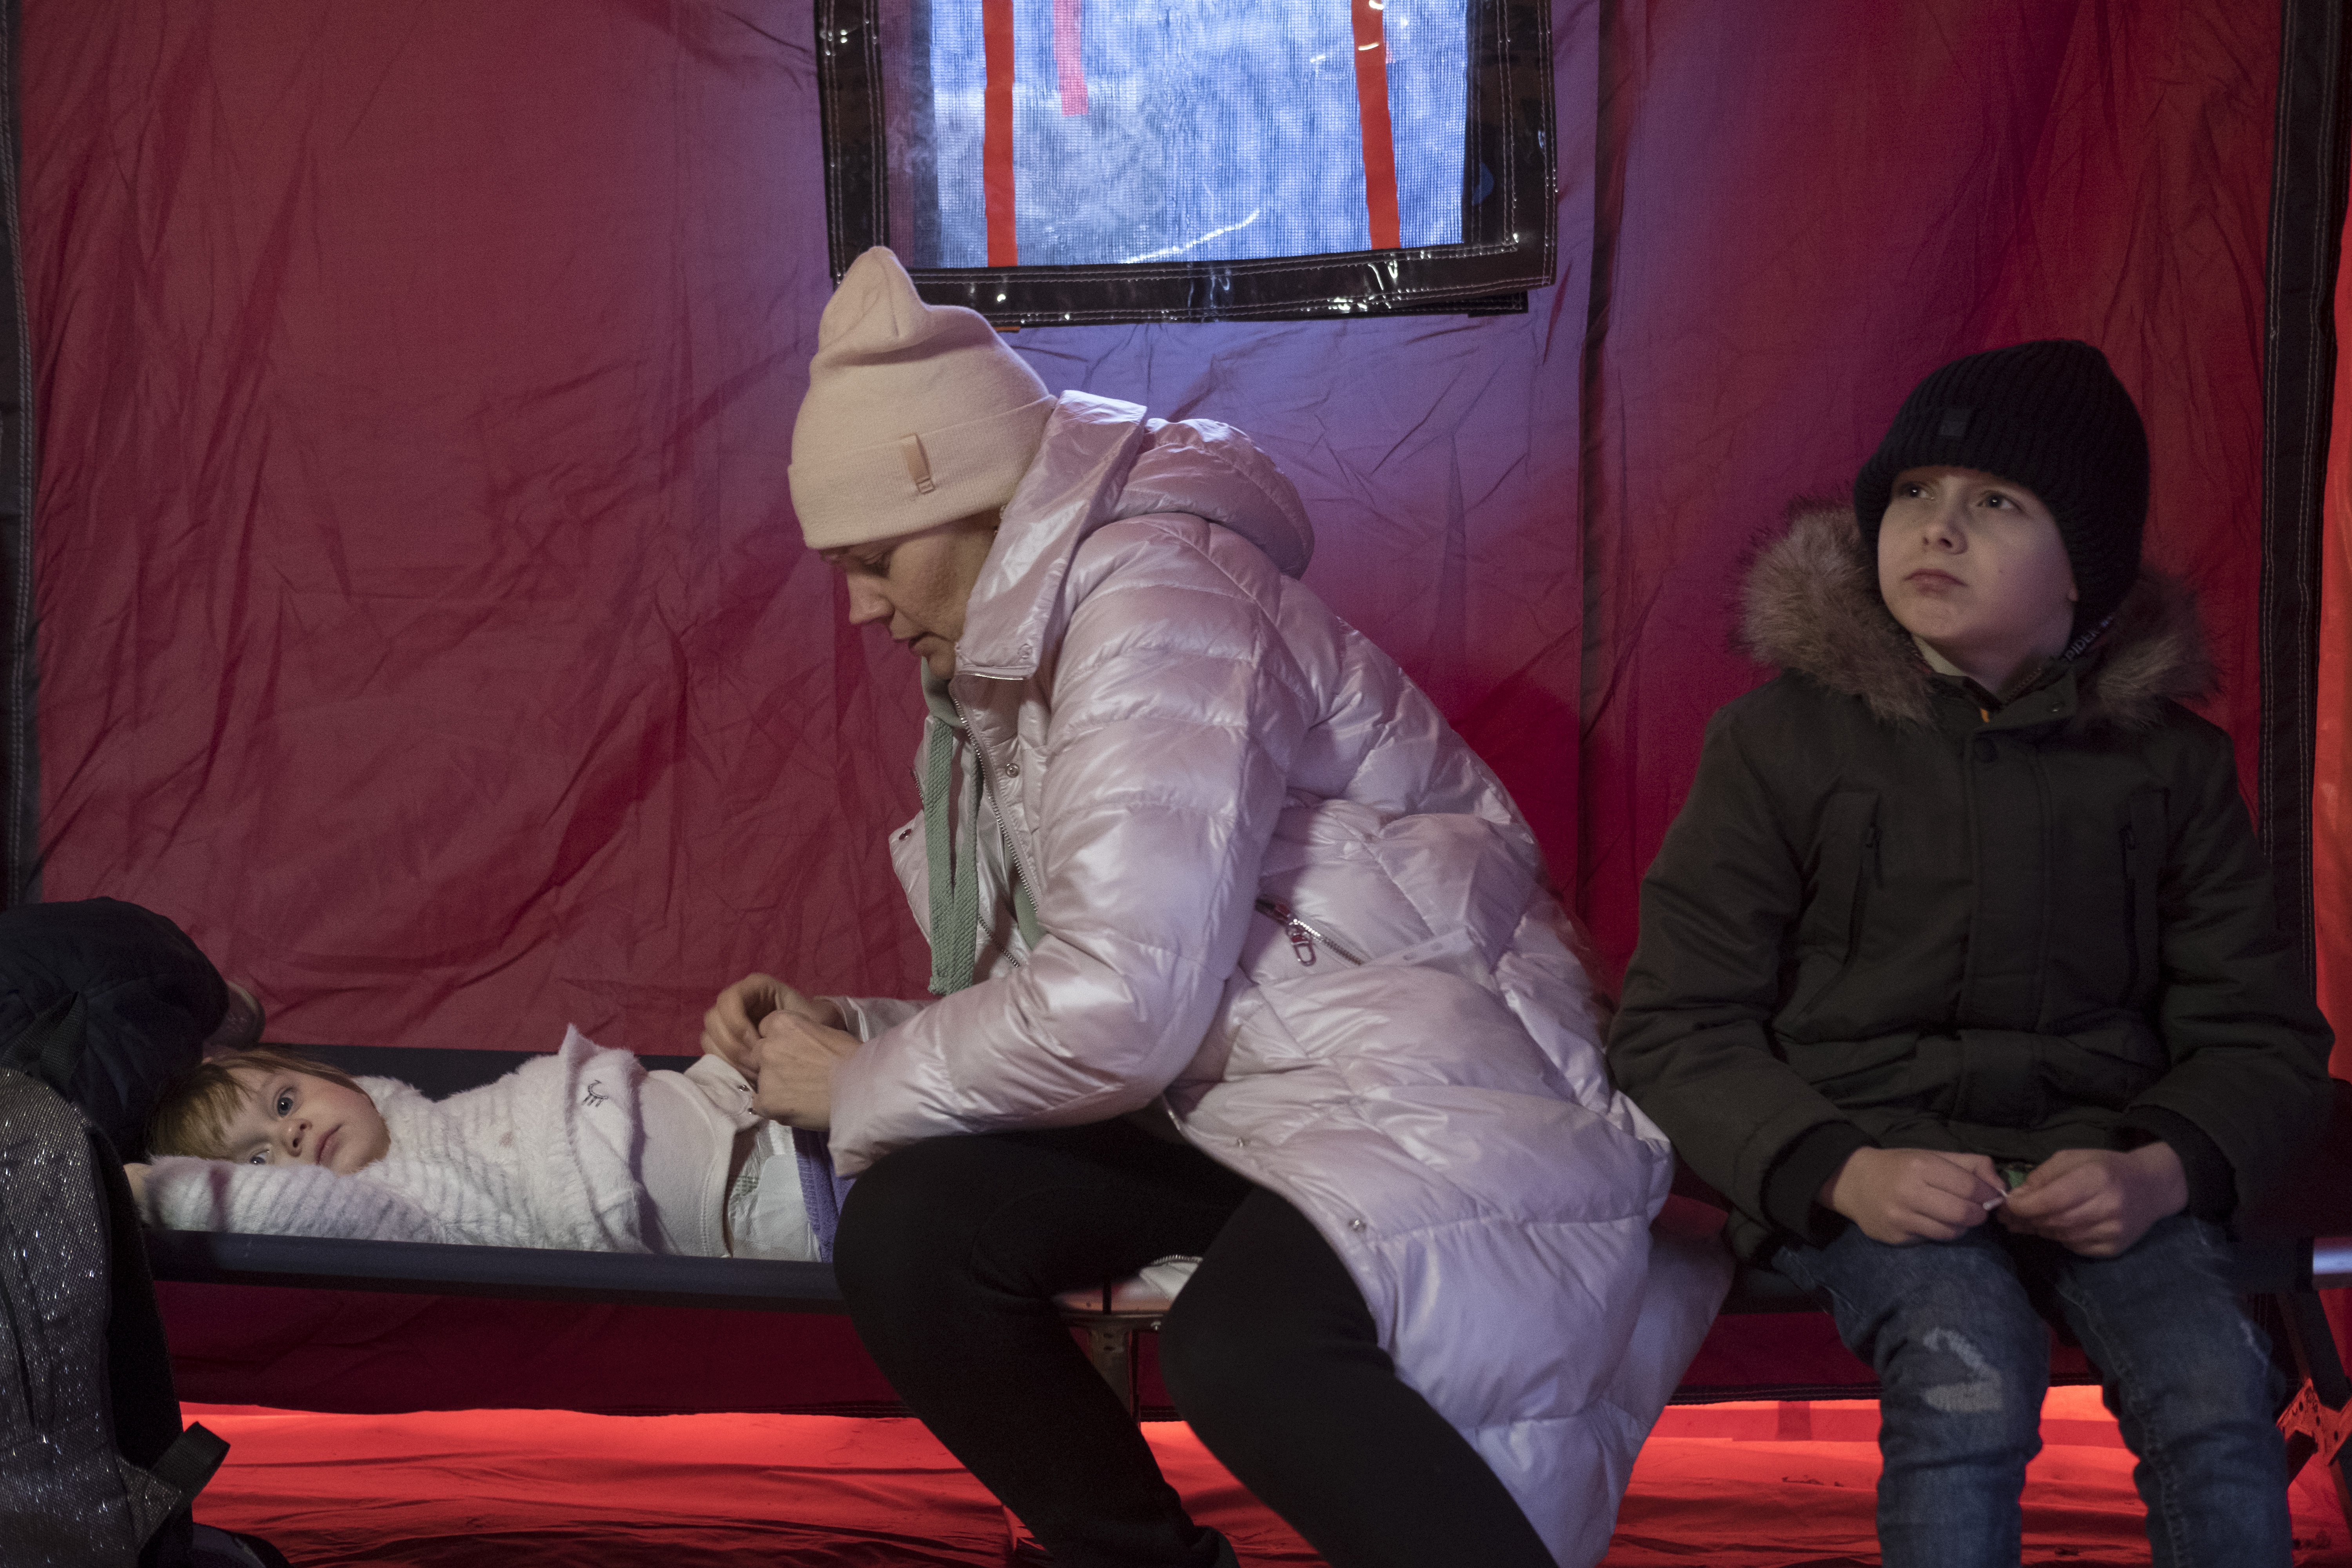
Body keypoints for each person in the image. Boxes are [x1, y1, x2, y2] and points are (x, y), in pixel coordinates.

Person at [701, 247, 1728, 1568]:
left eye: (874, 556)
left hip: (1415, 1077)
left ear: (974, 503)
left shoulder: (1152, 604)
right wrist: (856, 1031)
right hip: (1231, 1086)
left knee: (1246, 1352)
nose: (856, 607)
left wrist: (864, 1081)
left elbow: (1124, 1007)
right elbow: (1106, 982)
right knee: (916, 1236)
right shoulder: (1015, 669)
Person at [1607, 339, 2334, 1566]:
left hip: (2103, 1169)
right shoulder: (1777, 746)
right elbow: (1675, 1026)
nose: (1937, 528)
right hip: (1875, 1172)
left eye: (1995, 502)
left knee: (2218, 1395)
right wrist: (1840, 1172)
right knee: (1968, 1388)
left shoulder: (2170, 767)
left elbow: (2261, 1035)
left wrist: (2161, 1171)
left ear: (2081, 572)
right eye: (1913, 494)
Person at [131, 1030, 829, 1261]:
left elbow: (353, 1094)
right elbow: (303, 1211)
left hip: (738, 1099)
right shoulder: (391, 1209)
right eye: (260, 1161)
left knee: (884, 1074)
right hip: (756, 1203)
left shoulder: (408, 1109)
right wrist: (158, 1193)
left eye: (285, 1104)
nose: (292, 1133)